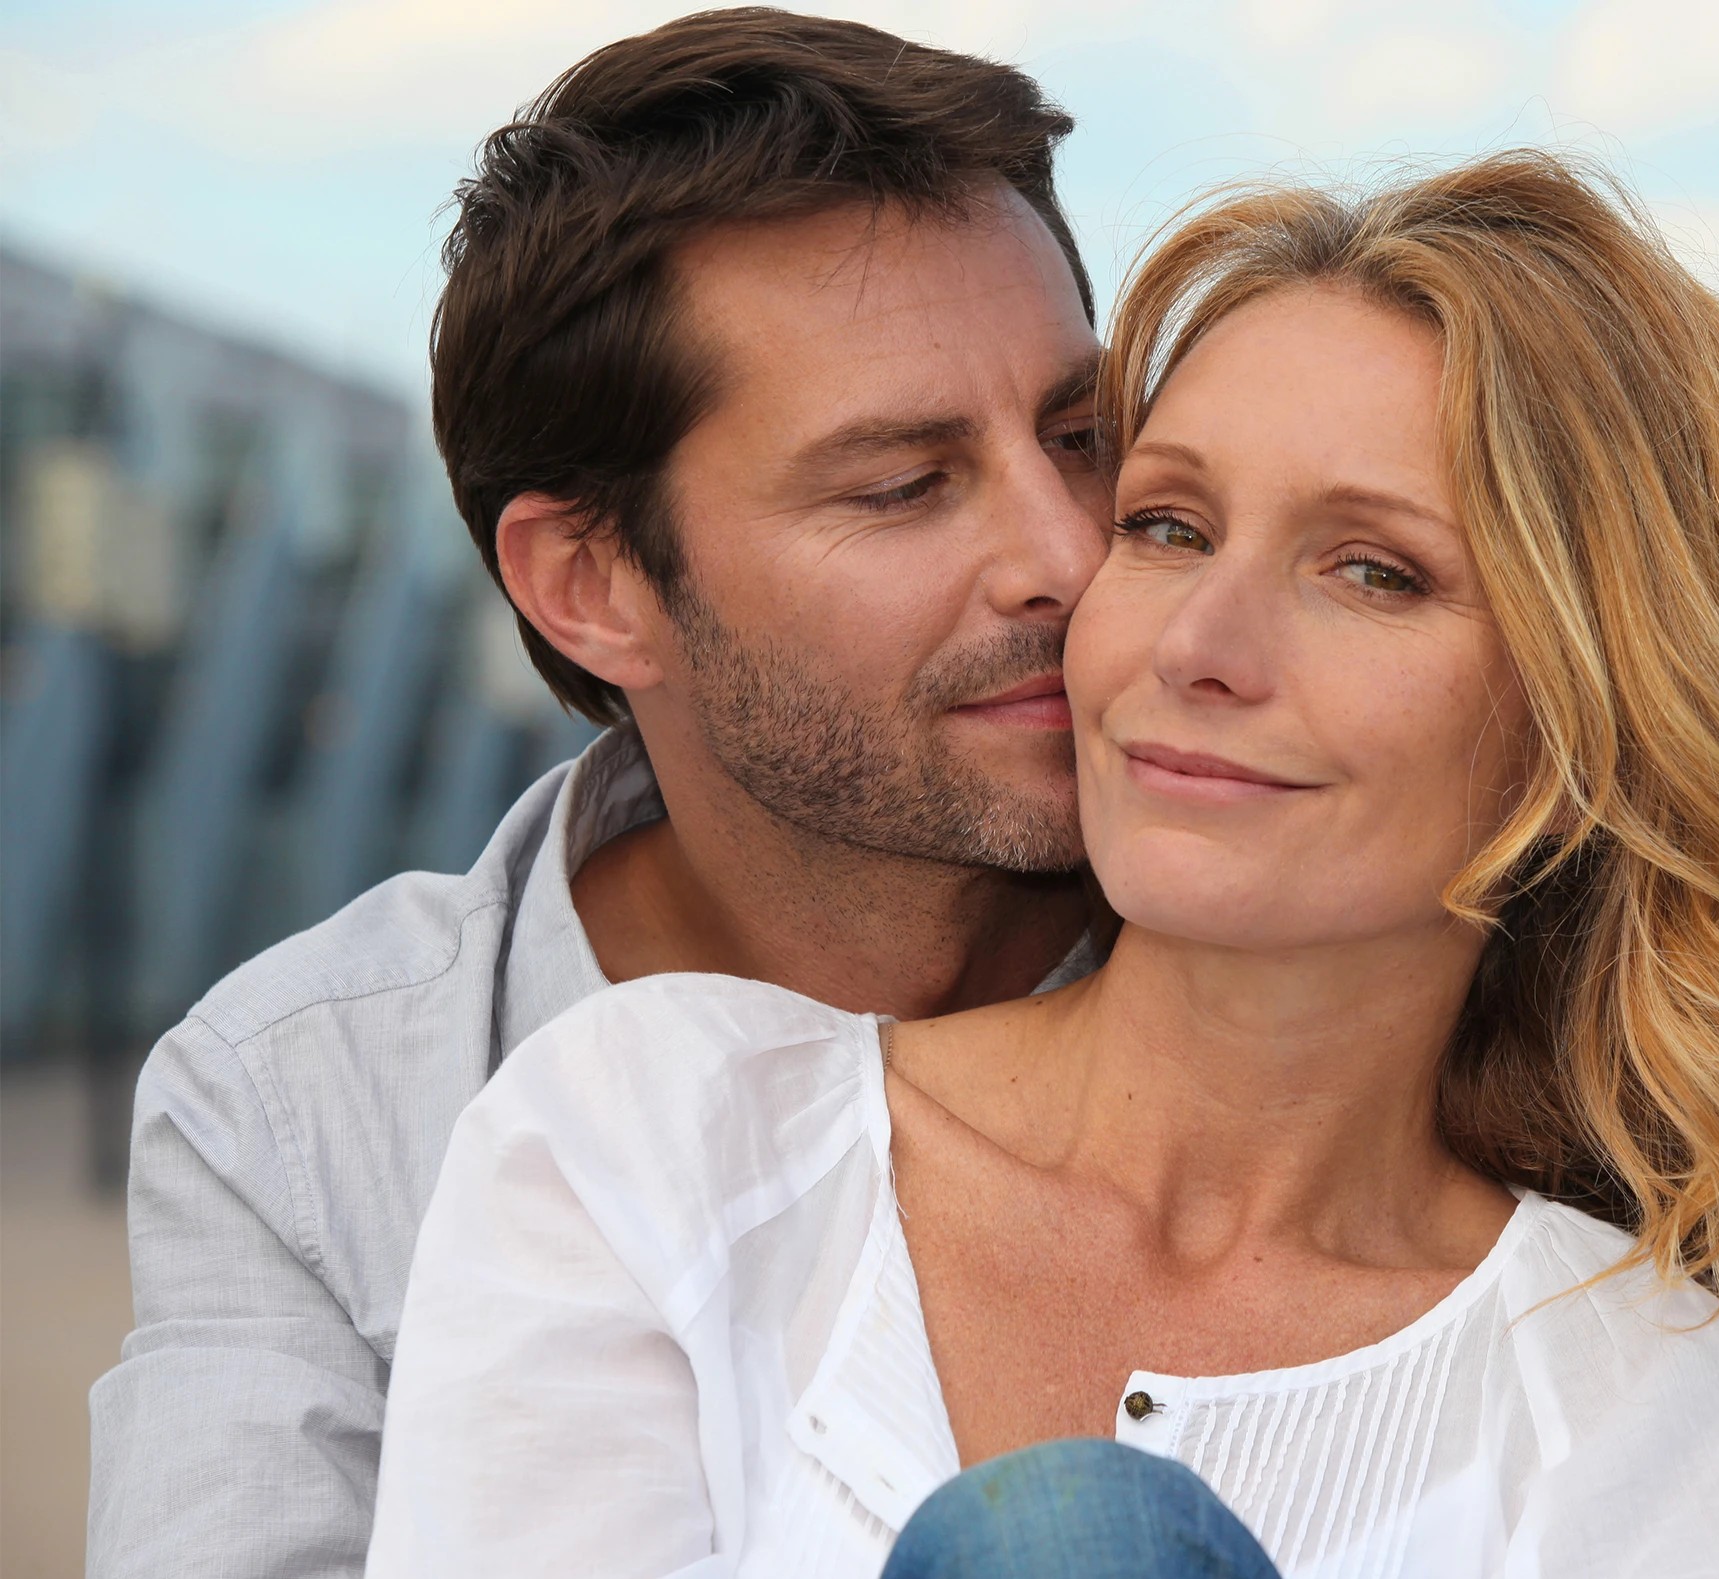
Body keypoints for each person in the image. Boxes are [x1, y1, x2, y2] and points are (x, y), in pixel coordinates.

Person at [362, 154, 1719, 1578]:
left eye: (1373, 571)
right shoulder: (654, 1143)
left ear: (1582, 739)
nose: (1199, 646)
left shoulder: (1670, 1432)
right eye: (1168, 528)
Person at [86, 11, 1117, 1577]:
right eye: (903, 485)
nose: (1069, 553)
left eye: (1081, 435)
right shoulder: (311, 1108)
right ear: (590, 584)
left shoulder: (1367, 973)